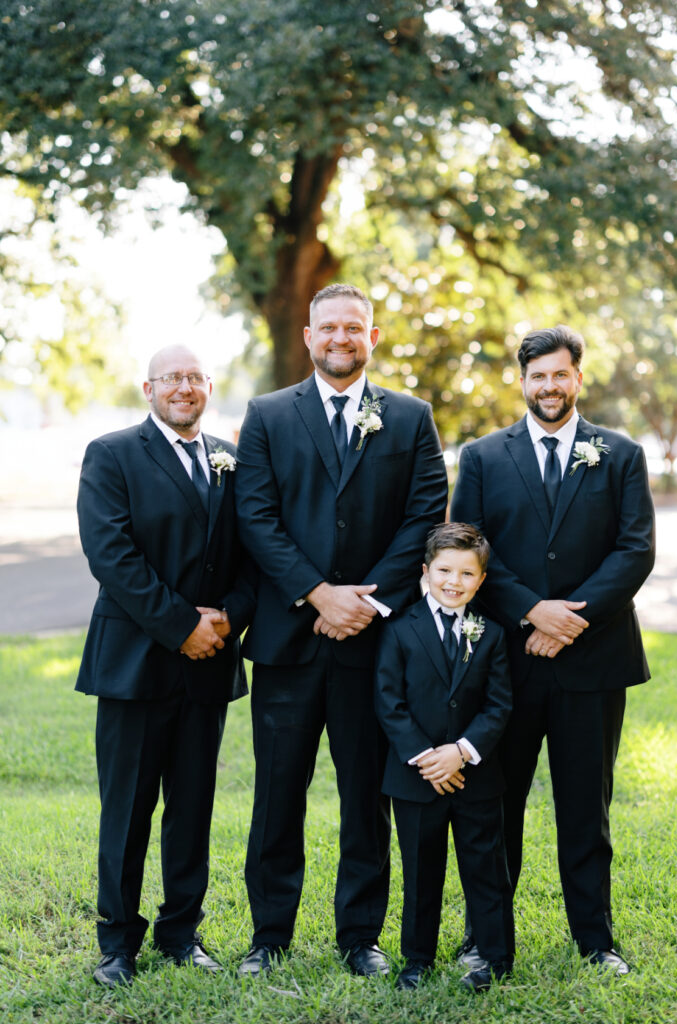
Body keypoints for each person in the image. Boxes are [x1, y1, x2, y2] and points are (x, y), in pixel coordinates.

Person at [234, 283, 448, 978]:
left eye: (353, 328)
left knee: (366, 797)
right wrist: (316, 593)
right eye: (328, 328)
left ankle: (360, 937)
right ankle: (269, 937)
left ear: (373, 337)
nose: (340, 339)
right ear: (307, 336)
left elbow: (424, 515)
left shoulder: (410, 418)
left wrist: (367, 601)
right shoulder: (266, 415)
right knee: (277, 796)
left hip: (374, 643)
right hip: (288, 642)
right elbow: (256, 517)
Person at [450, 325, 655, 976]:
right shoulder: (483, 456)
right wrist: (529, 610)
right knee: (494, 805)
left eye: (559, 374)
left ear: (577, 378)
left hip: (593, 662)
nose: (548, 386)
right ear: (521, 381)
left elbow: (634, 550)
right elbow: (467, 546)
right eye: (536, 376)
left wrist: (572, 620)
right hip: (504, 663)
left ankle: (595, 940)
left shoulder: (618, 454)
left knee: (584, 806)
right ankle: (486, 941)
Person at [76, 345, 255, 987]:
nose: (183, 388)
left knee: (193, 807)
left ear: (209, 386)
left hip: (208, 664)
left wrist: (227, 619)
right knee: (126, 810)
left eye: (194, 378)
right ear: (148, 387)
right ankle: (117, 945)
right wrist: (183, 628)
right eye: (171, 378)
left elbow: (251, 552)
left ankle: (183, 933)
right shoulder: (113, 453)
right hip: (133, 664)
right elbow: (111, 555)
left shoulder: (231, 463)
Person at [375, 522, 514, 992]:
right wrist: (425, 758)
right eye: (444, 571)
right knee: (420, 871)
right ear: (425, 571)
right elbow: (388, 702)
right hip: (416, 778)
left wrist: (461, 752)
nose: (454, 582)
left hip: (475, 774)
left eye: (467, 574)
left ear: (481, 580)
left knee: (485, 871)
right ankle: (417, 960)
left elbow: (499, 704)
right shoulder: (399, 630)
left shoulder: (491, 634)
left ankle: (494, 958)